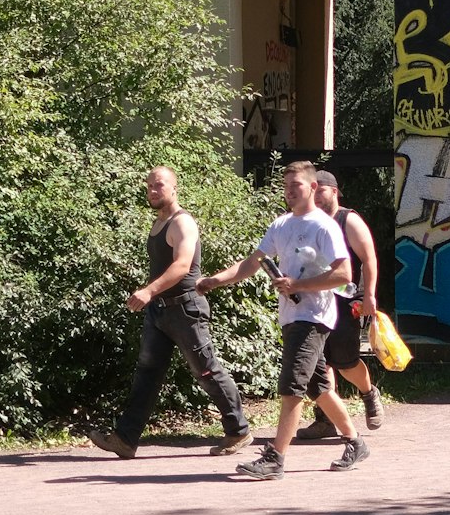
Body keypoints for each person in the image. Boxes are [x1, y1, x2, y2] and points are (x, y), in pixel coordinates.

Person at [198, 161, 371, 479]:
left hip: (313, 317)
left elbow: (344, 274)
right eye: (287, 187)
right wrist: (216, 280)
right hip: (291, 316)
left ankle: (275, 458)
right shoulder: (281, 225)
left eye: (297, 187)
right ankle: (355, 442)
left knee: (291, 387)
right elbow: (253, 263)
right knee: (319, 387)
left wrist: (298, 285)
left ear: (313, 188)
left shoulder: (324, 227)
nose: (290, 192)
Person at [87, 166, 253, 459]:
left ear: (174, 188)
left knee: (206, 370)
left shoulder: (182, 223)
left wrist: (149, 291)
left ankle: (238, 430)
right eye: (149, 185)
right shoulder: (158, 224)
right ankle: (125, 440)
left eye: (159, 185)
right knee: (147, 373)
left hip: (185, 309)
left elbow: (182, 266)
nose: (153, 190)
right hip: (159, 313)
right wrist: (153, 297)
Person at [296, 170, 384, 440]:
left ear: (335, 191)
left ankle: (369, 394)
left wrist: (368, 295)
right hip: (314, 300)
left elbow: (368, 260)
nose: (317, 197)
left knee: (345, 362)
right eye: (314, 191)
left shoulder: (349, 220)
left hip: (346, 300)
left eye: (321, 191)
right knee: (319, 362)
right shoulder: (308, 222)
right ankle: (324, 420)